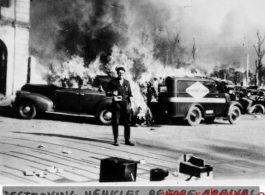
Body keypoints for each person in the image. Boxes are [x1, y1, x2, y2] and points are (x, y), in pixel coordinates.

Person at [106, 65, 135, 146]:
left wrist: (131, 104)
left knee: (127, 122)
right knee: (116, 122)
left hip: (126, 103)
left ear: (124, 73)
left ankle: (127, 140)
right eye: (119, 73)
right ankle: (116, 140)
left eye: (122, 73)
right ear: (117, 73)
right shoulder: (113, 82)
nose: (120, 74)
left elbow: (130, 94)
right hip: (116, 104)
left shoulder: (127, 82)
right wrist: (112, 93)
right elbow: (107, 93)